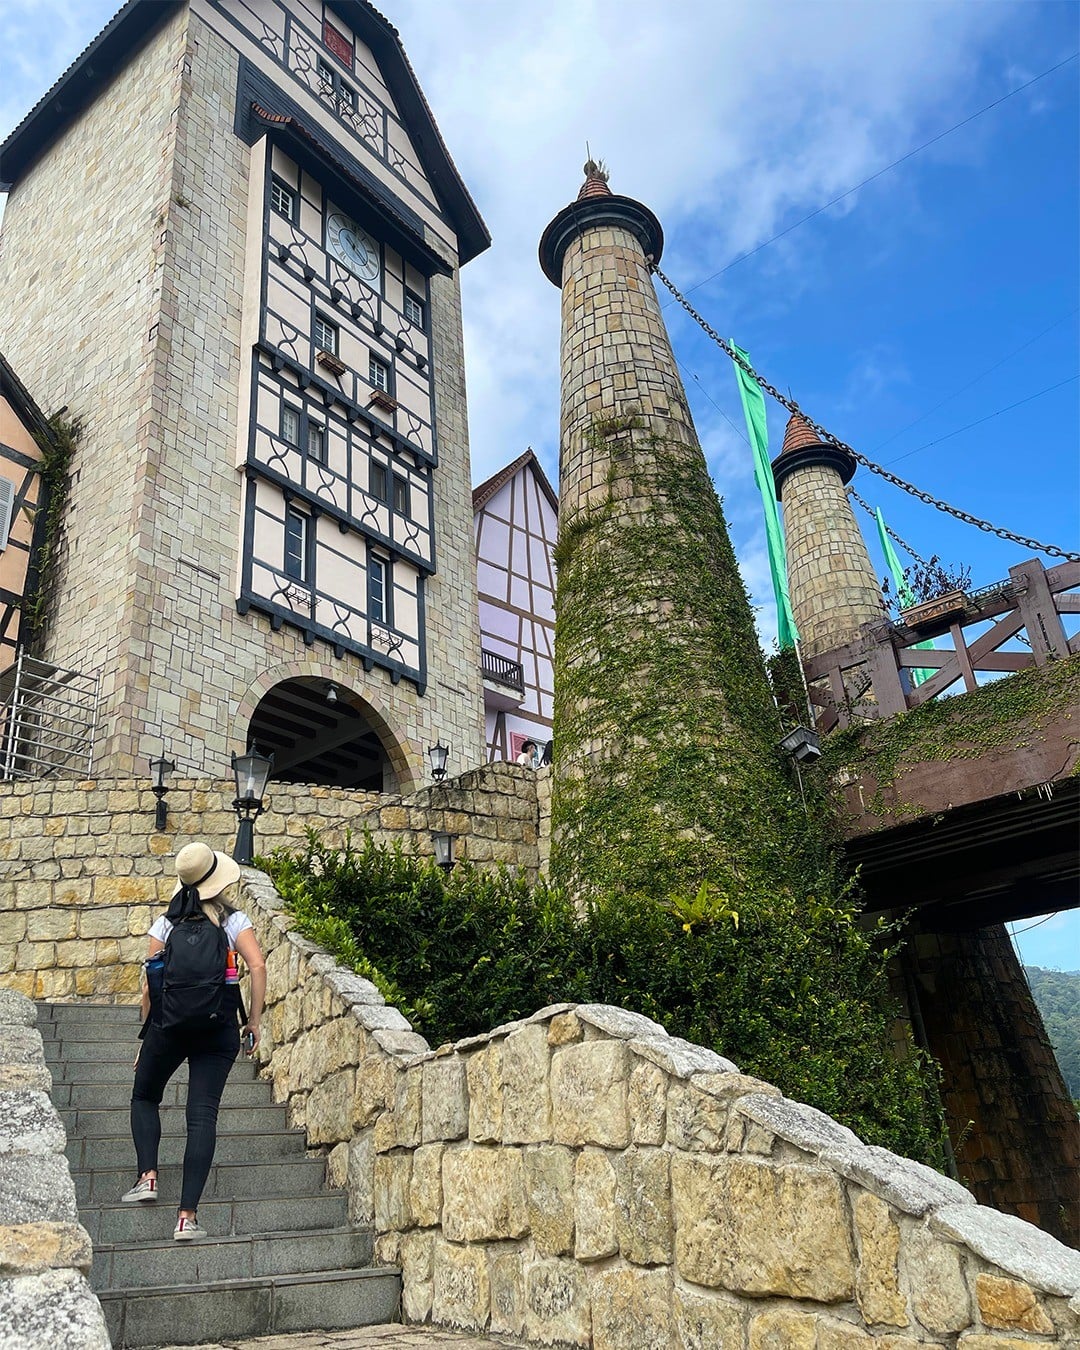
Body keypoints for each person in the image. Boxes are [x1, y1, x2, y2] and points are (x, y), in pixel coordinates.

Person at [123, 841, 267, 1241]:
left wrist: (147, 1037)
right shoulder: (234, 921)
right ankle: (187, 1217)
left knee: (144, 1096)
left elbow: (150, 986)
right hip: (218, 1028)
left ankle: (148, 1177)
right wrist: (253, 1021)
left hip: (168, 1027)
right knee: (202, 1116)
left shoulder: (165, 924)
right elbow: (257, 966)